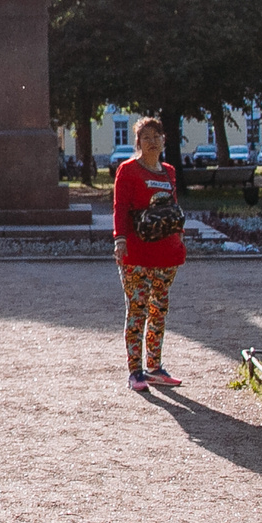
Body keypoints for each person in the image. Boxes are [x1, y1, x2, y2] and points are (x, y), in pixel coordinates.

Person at [114, 116, 187, 392]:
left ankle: (155, 367)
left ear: (164, 140)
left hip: (166, 254)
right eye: (146, 137)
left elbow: (173, 208)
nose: (152, 141)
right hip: (136, 253)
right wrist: (119, 240)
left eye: (156, 136)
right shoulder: (128, 170)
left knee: (159, 311)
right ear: (138, 142)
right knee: (137, 311)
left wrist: (180, 239)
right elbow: (120, 208)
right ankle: (136, 371)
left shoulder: (168, 171)